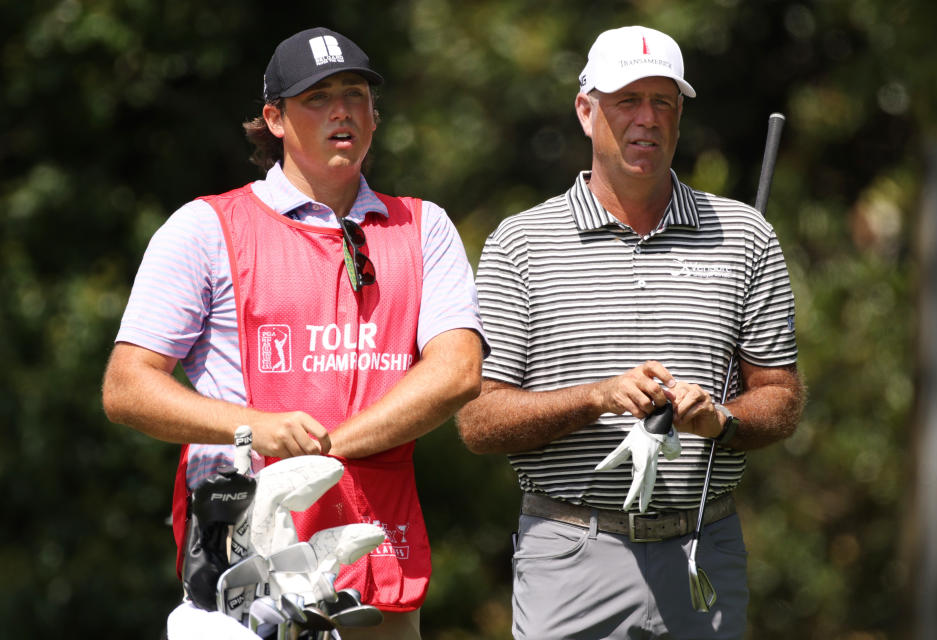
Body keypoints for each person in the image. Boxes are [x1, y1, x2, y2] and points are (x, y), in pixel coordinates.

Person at [102, 26, 486, 639]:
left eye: (355, 93)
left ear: (374, 113)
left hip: (377, 560)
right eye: (318, 97)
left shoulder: (423, 225)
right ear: (274, 120)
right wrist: (257, 428)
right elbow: (126, 388)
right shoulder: (204, 227)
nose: (342, 110)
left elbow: (458, 371)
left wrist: (323, 450)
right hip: (246, 566)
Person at [457, 25, 805, 640]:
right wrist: (596, 397)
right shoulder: (520, 244)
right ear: (586, 112)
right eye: (627, 101)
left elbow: (780, 396)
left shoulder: (745, 235)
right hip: (569, 552)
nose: (647, 118)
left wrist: (721, 421)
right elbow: (479, 423)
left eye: (663, 101)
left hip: (705, 550)